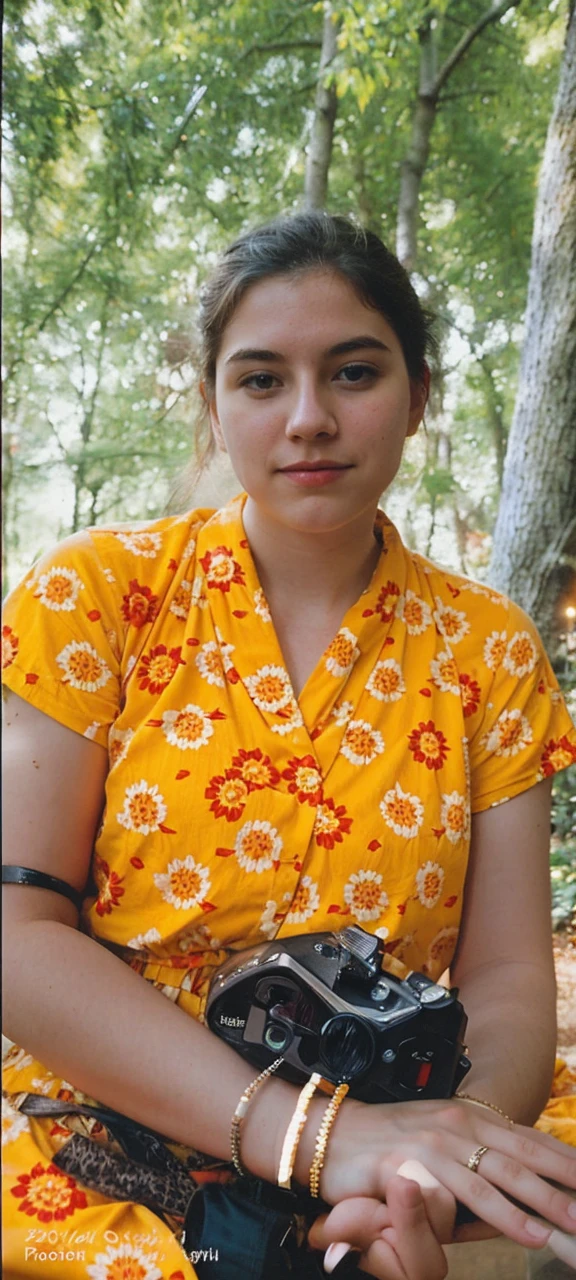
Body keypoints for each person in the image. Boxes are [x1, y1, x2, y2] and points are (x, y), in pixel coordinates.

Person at [2, 212, 576, 1280]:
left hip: (408, 1111)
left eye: (353, 372)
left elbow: (503, 979)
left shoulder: (488, 650)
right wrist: (319, 1141)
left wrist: (437, 1166)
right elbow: (15, 931)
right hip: (98, 1121)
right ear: (215, 406)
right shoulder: (97, 599)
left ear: (419, 394)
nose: (308, 417)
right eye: (262, 380)